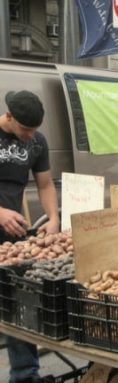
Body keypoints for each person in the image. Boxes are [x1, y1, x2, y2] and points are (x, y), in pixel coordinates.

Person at [0, 90, 60, 383]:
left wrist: (54, 217)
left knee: (19, 307)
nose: (30, 135)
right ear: (8, 116)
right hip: (3, 220)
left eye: (35, 129)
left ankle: (25, 376)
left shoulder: (37, 142)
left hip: (12, 240)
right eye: (25, 129)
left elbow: (46, 185)